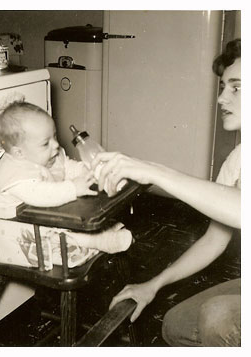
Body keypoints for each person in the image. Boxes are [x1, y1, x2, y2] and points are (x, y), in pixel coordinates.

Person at [92, 38, 241, 346]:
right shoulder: (239, 159)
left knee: (216, 319)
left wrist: (153, 170)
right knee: (177, 326)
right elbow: (216, 237)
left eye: (236, 88)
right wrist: (153, 285)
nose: (222, 98)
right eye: (223, 86)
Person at [0, 101, 133, 270]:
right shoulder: (15, 172)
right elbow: (40, 194)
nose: (56, 145)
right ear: (19, 153)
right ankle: (96, 240)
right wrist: (73, 188)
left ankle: (103, 233)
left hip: (45, 217)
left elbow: (66, 167)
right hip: (21, 230)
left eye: (54, 136)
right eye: (45, 143)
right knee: (59, 235)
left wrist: (88, 171)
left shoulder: (45, 155)